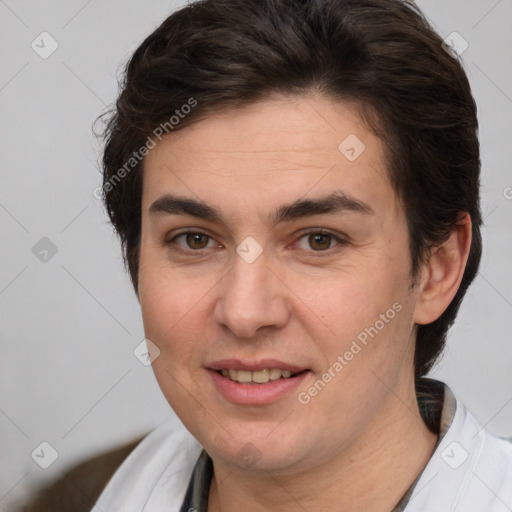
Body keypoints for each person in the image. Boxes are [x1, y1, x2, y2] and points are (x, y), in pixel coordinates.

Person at [57, 0, 512, 510]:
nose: (245, 312)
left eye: (319, 240)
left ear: (437, 268)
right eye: (195, 239)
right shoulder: (120, 490)